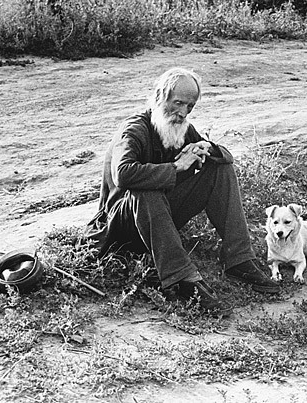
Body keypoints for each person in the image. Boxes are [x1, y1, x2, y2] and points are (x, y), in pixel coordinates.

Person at [85, 67, 281, 316]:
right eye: (178, 103)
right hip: (121, 227)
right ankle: (181, 280)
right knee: (146, 190)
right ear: (159, 97)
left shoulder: (182, 128)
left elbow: (225, 158)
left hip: (157, 221)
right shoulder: (135, 129)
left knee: (220, 170)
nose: (182, 113)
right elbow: (122, 175)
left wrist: (206, 147)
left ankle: (238, 258)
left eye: (190, 106)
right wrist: (176, 167)